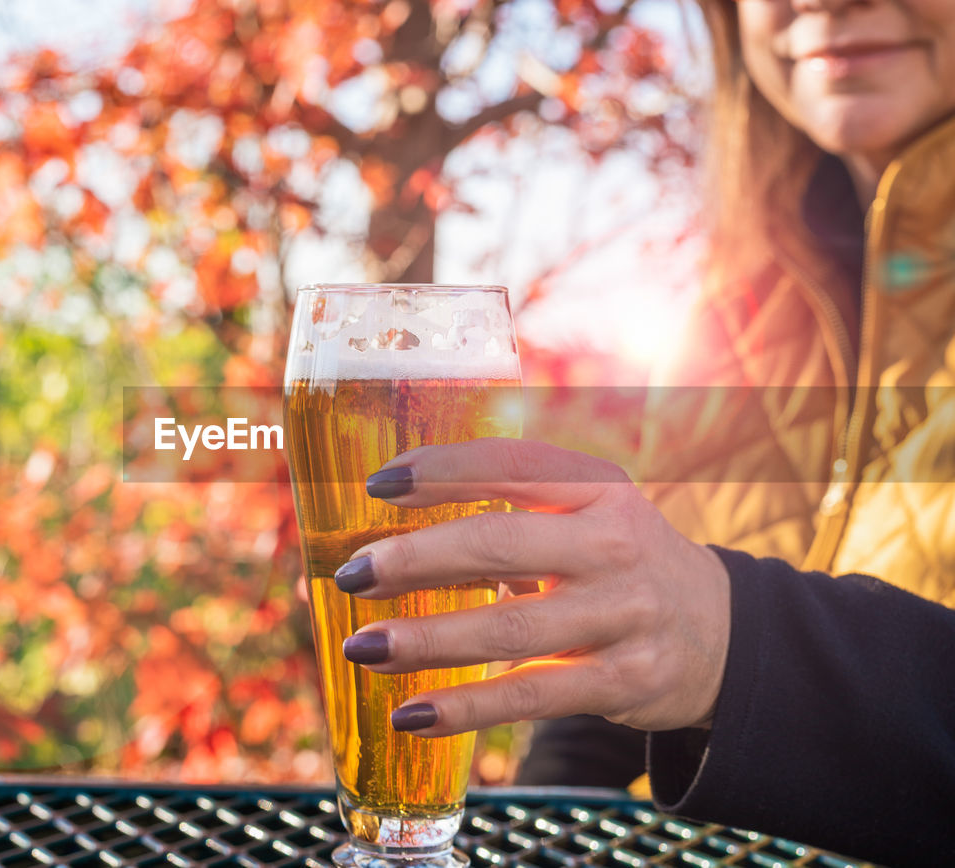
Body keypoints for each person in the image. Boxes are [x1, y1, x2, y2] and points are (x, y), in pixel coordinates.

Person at [331, 0, 955, 863]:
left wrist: (742, 649)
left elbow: (705, 646)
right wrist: (543, 817)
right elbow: (618, 703)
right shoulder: (731, 307)